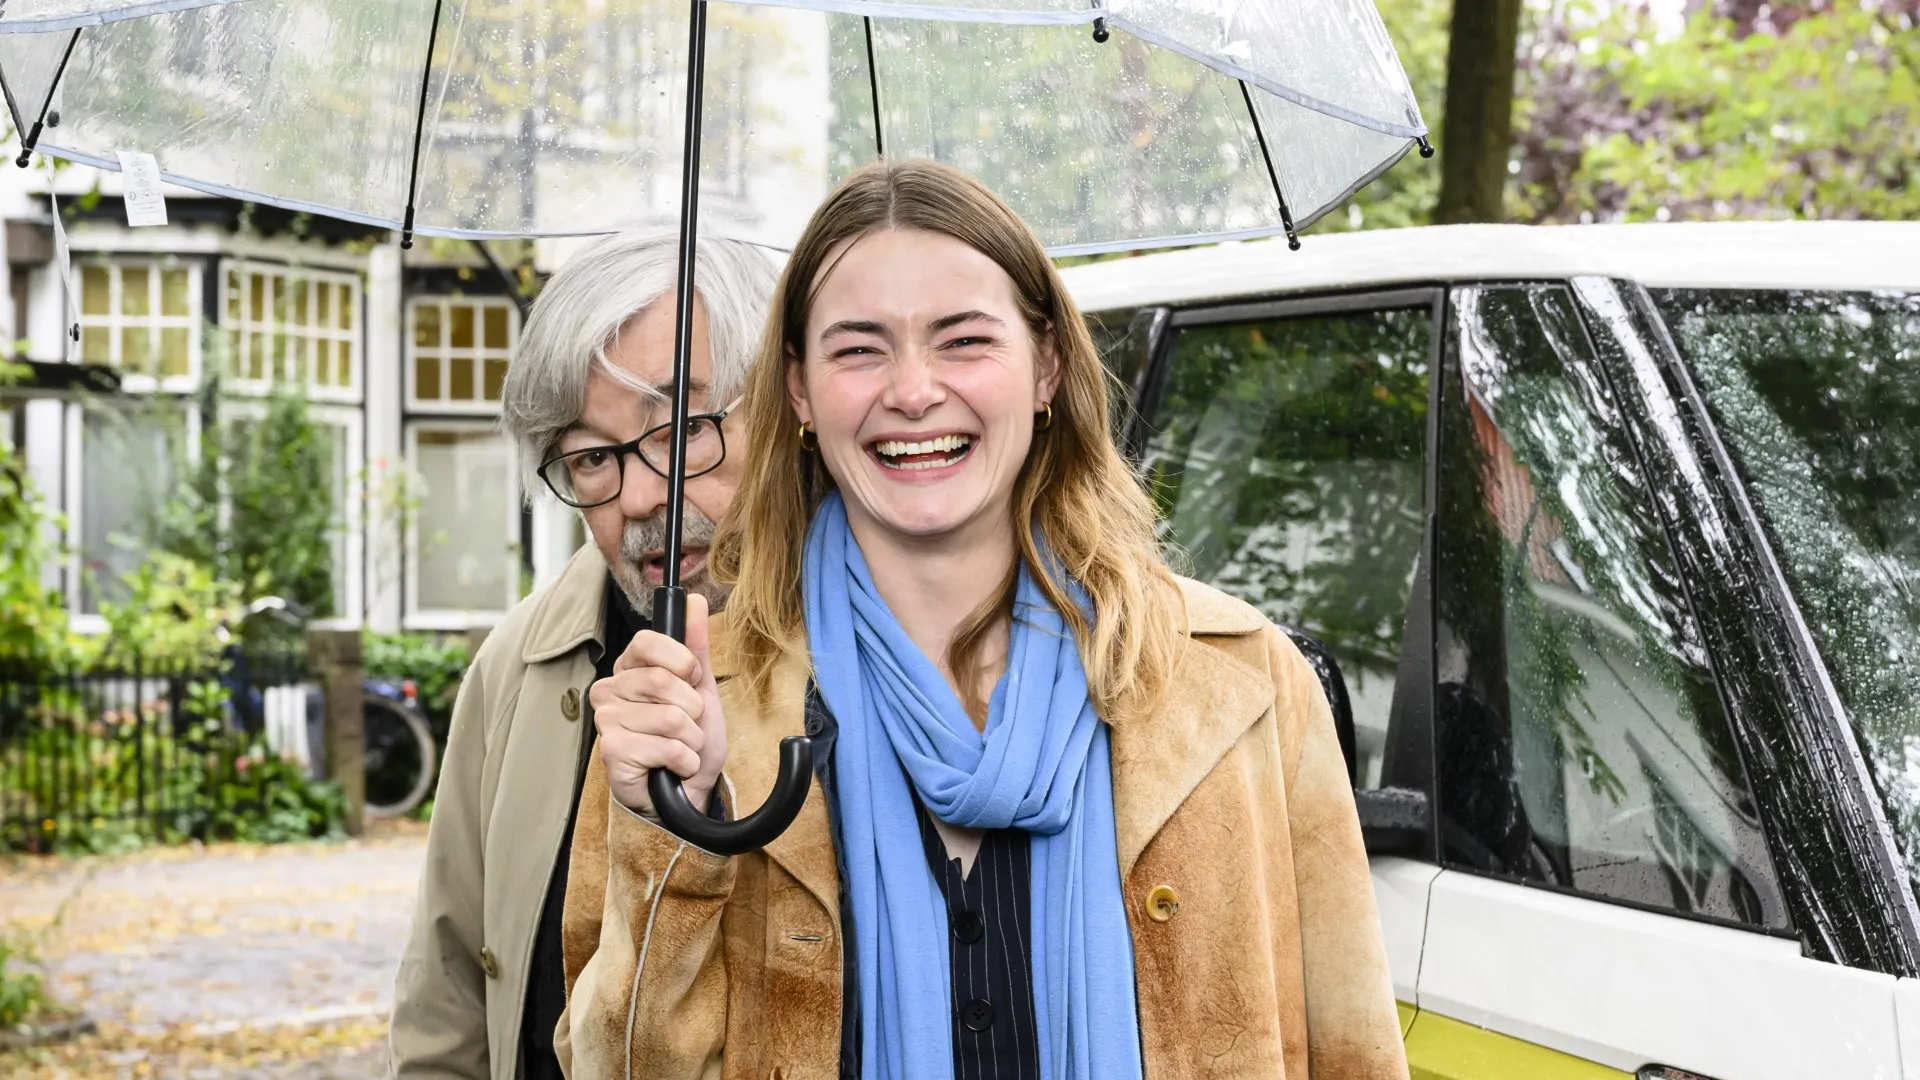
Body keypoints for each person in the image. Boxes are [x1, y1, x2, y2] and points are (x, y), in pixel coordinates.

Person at [556, 161, 1408, 1080]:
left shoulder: (1241, 687)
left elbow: (1354, 1055)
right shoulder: (694, 708)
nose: (913, 390)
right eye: (859, 348)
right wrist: (678, 836)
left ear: (1046, 364)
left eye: (962, 340)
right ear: (799, 392)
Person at [387, 230, 778, 1080]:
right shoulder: (519, 663)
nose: (642, 496)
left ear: (783, 413)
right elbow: (448, 992)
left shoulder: (872, 647)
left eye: (683, 430)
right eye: (591, 458)